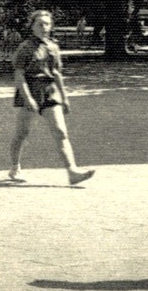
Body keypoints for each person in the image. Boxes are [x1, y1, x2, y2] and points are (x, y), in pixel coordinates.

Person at [7, 10, 96, 185]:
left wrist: (65, 97)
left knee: (61, 132)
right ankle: (14, 167)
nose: (44, 27)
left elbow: (56, 73)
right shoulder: (25, 48)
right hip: (30, 91)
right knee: (22, 134)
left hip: (50, 92)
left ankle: (72, 172)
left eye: (47, 24)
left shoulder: (53, 46)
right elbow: (19, 76)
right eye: (40, 24)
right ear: (32, 27)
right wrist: (29, 99)